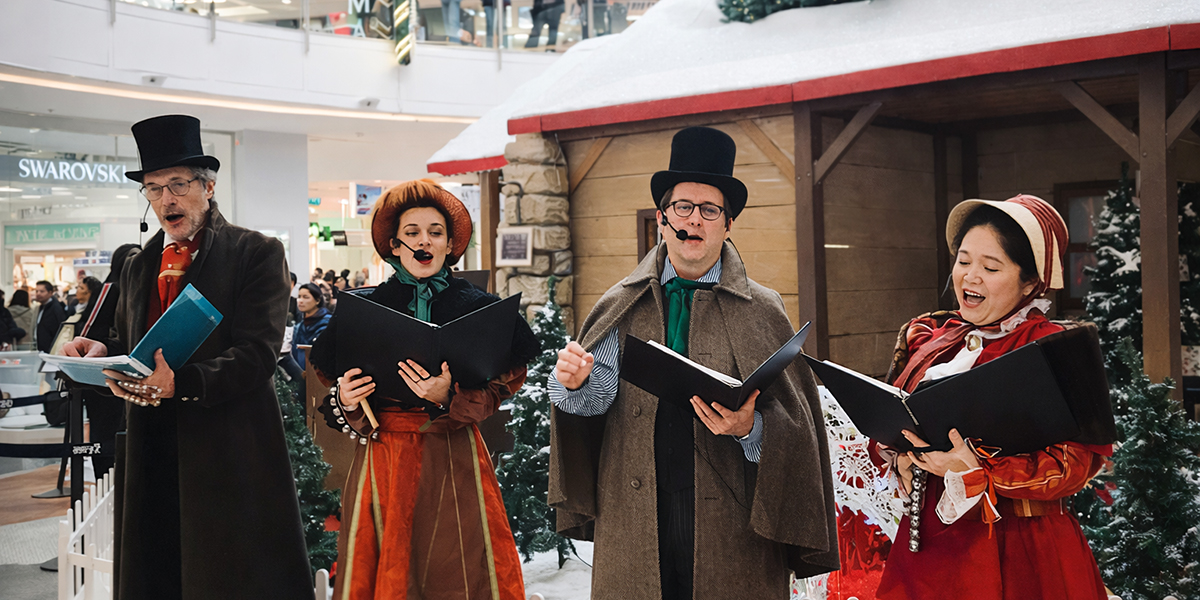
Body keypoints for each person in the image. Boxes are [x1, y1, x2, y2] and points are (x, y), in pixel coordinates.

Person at [548, 127, 839, 599]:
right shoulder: (619, 304)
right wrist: (577, 387)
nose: (695, 221)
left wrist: (751, 428)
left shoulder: (763, 311)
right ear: (662, 219)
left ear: (727, 225)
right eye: (683, 207)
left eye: (710, 210)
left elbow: (799, 431)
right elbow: (593, 409)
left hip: (734, 531)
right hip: (636, 522)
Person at [60, 114, 312, 599]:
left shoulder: (255, 252)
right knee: (159, 573)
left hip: (229, 450)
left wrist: (185, 382)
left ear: (208, 186)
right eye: (154, 189)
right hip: (153, 447)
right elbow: (133, 345)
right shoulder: (138, 266)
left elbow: (259, 355)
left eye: (178, 184)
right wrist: (103, 352)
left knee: (229, 578)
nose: (166, 199)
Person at [308, 179, 539, 600]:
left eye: (435, 232)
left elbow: (499, 390)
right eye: (412, 233)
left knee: (455, 568)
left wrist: (448, 398)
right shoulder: (365, 309)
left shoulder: (479, 306)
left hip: (451, 456)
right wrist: (347, 401)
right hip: (382, 458)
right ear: (395, 245)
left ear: (451, 244)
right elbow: (337, 399)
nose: (424, 242)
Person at [874, 195, 1110, 600]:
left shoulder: (1053, 348)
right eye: (964, 261)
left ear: (1031, 281)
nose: (970, 277)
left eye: (991, 267)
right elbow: (894, 422)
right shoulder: (932, 341)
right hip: (932, 552)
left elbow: (1078, 463)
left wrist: (979, 472)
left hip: (1024, 553)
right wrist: (902, 460)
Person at [81, 244, 140, 480]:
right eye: (132, 258)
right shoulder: (110, 288)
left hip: (126, 377)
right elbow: (87, 333)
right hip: (103, 378)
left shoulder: (136, 289)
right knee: (105, 434)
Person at [291, 282, 331, 371]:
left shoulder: (328, 323)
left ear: (317, 300)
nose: (300, 301)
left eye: (306, 297)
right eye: (299, 296)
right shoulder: (299, 326)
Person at [33, 280, 67, 353]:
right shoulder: (41, 307)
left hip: (50, 349)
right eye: (37, 291)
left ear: (50, 293)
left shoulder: (56, 308)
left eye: (42, 291)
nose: (38, 294)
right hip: (41, 348)